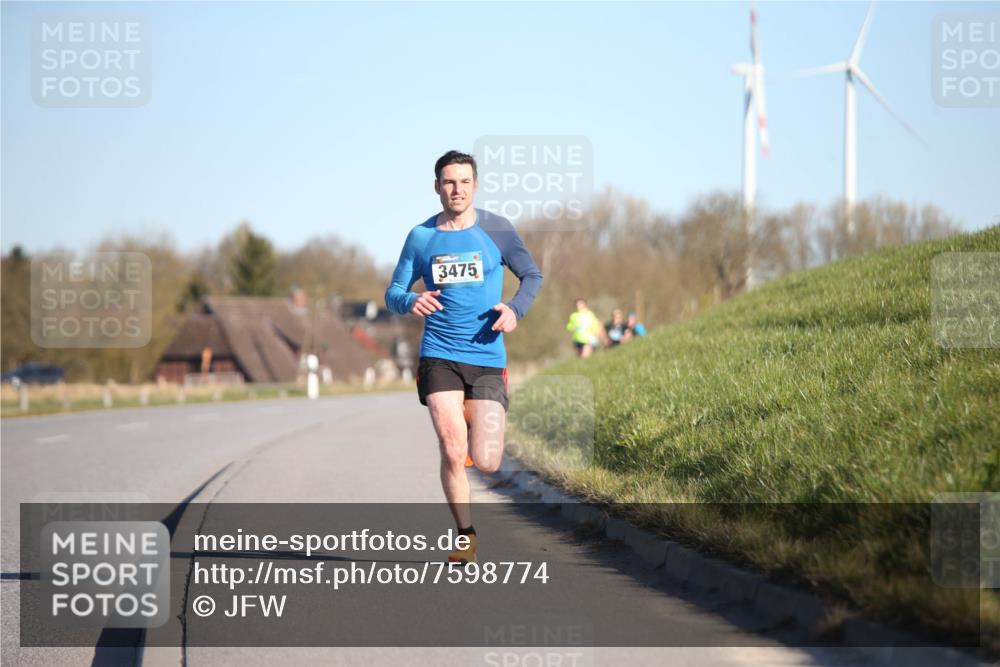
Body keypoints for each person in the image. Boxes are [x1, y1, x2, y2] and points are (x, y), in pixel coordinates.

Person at [385, 150, 543, 565]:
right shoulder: (421, 237)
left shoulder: (497, 230)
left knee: (487, 461)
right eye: (449, 182)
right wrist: (411, 301)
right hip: (439, 353)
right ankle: (465, 534)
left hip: (488, 354)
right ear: (437, 186)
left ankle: (471, 431)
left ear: (475, 185)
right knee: (453, 450)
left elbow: (531, 275)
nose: (457, 190)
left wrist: (514, 309)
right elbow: (393, 291)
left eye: (465, 182)